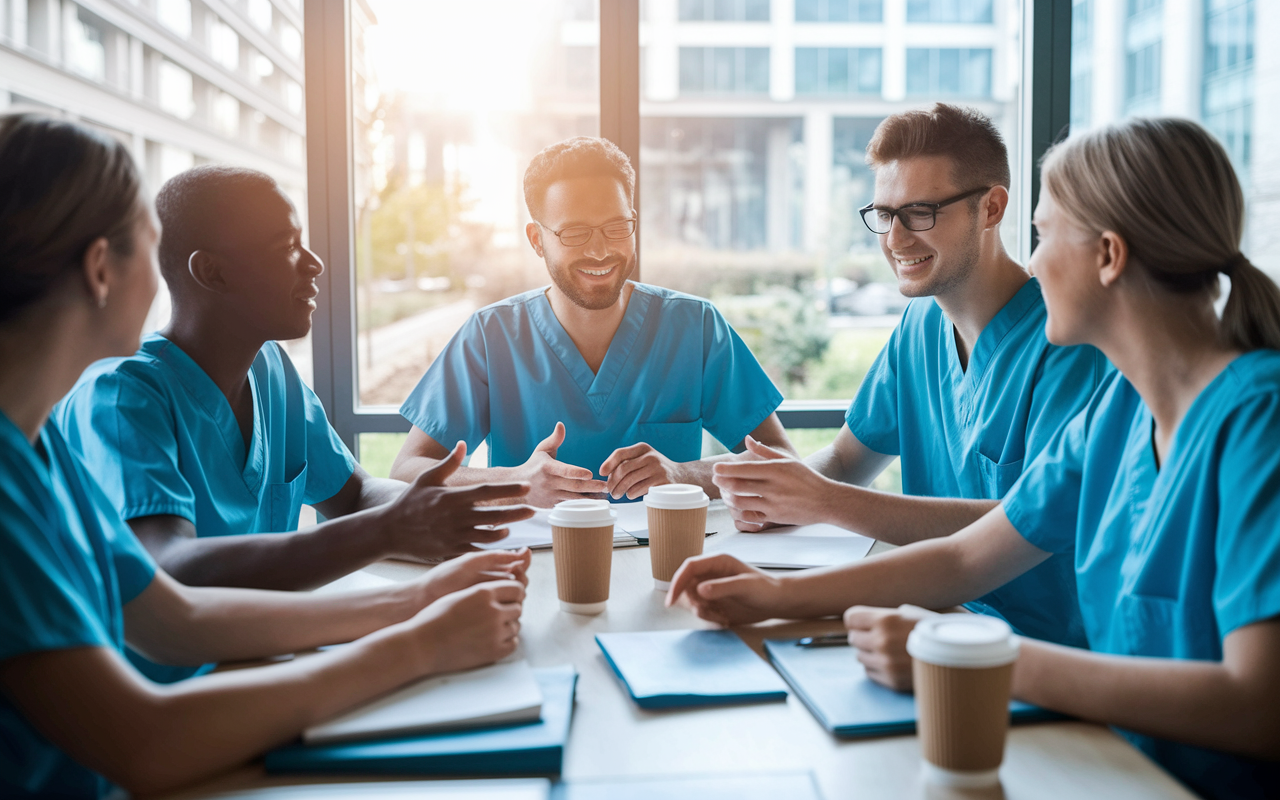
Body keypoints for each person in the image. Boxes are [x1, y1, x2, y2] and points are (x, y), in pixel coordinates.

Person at [670, 117, 1280, 800]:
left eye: (1045, 235)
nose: (1035, 258)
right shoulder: (1119, 414)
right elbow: (966, 557)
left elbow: (1258, 704)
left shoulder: (1260, 420)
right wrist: (775, 596)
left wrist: (975, 658)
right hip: (1104, 762)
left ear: (1108, 255)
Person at [0, 113, 531, 799]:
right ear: (101, 268)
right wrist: (420, 644)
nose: (312, 263)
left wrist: (419, 599)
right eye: (149, 244)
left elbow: (171, 620)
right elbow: (145, 741)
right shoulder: (59, 444)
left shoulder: (39, 450)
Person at [713, 104, 1108, 647]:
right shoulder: (919, 324)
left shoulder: (1067, 343)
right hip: (929, 620)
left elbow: (1024, 523)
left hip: (1037, 650)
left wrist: (823, 500)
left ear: (991, 208)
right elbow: (848, 461)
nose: (895, 239)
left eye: (920, 212)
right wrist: (777, 493)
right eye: (883, 213)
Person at [57, 165, 534, 595]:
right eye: (287, 247)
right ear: (212, 272)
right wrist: (389, 530)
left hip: (268, 648)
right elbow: (168, 567)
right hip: (174, 680)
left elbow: (355, 496)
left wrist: (452, 511)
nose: (314, 264)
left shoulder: (271, 371)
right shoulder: (122, 397)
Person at [390, 137, 795, 507]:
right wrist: (514, 482)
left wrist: (682, 474)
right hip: (534, 568)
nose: (600, 251)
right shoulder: (490, 336)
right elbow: (408, 470)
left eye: (616, 227)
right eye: (575, 233)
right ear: (536, 240)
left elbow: (781, 459)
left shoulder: (696, 328)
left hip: (668, 564)